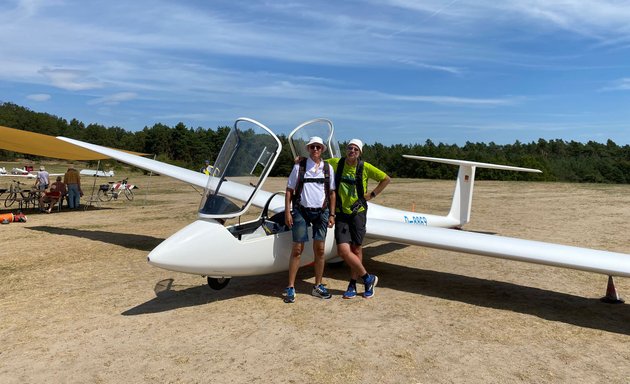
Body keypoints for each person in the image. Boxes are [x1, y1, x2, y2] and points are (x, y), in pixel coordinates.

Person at [327, 139, 390, 299]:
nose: (352, 151)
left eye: (356, 149)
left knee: (356, 249)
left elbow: (386, 179)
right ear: (346, 150)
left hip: (358, 213)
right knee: (343, 251)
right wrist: (301, 160)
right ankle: (368, 278)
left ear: (359, 153)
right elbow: (318, 162)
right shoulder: (336, 163)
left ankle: (353, 284)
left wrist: (372, 194)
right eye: (350, 148)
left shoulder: (365, 167)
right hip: (341, 213)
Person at [283, 136, 336, 303]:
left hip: (322, 213)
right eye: (312, 147)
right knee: (297, 249)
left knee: (320, 250)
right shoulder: (299, 166)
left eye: (318, 147)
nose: (315, 150)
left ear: (322, 150)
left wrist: (332, 214)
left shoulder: (328, 168)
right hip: (301, 211)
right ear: (308, 149)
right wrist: (287, 212)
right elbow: (289, 190)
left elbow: (332, 192)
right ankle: (291, 287)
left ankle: (318, 285)